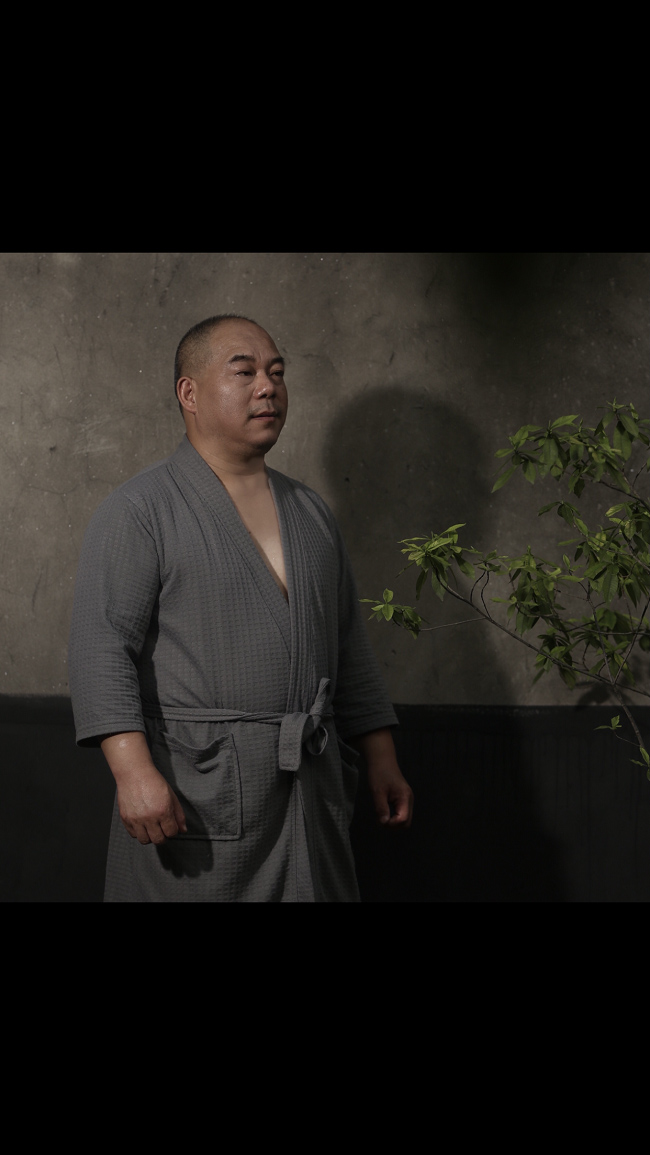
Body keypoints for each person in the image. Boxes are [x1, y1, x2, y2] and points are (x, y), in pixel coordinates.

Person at [68, 314, 413, 902]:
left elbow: (348, 646)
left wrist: (381, 757)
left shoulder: (310, 511)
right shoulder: (140, 510)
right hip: (201, 791)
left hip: (309, 788)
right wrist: (133, 772)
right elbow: (100, 649)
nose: (267, 387)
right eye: (245, 372)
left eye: (277, 372)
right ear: (189, 393)